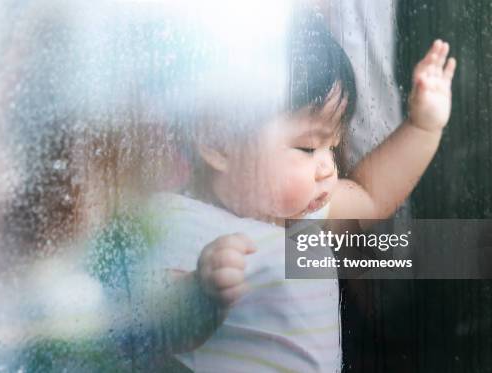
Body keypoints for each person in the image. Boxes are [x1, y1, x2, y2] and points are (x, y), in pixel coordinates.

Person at [145, 7, 456, 372]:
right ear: (219, 140)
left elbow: (370, 197)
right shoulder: (174, 218)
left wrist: (423, 127)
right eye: (308, 147)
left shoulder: (300, 217)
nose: (329, 167)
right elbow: (148, 327)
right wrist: (199, 293)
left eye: (331, 146)